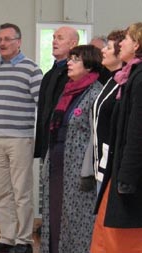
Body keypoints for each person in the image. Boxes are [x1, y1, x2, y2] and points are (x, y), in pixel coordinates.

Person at [0, 23, 42, 253]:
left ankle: (23, 241)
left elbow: (41, 106)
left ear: (19, 41)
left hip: (21, 139)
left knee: (21, 192)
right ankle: (7, 238)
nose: (3, 43)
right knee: (1, 192)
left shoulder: (32, 70)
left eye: (7, 39)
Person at [40, 45, 102, 253]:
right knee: (55, 214)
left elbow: (95, 135)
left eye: (75, 59)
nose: (69, 63)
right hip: (58, 163)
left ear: (89, 65)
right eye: (70, 58)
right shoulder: (67, 91)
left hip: (79, 170)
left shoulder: (96, 93)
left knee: (76, 219)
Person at [90, 22, 142, 253]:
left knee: (119, 241)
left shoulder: (139, 79)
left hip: (129, 176)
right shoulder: (130, 76)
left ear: (137, 44)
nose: (122, 43)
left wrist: (127, 178)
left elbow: (136, 133)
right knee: (105, 235)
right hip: (119, 170)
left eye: (127, 39)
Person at [34, 26, 79, 160]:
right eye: (54, 37)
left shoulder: (75, 75)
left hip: (64, 143)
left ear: (73, 44)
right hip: (47, 142)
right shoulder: (48, 75)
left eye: (60, 38)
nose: (54, 41)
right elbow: (42, 112)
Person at [92, 30, 125, 194]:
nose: (103, 50)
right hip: (102, 163)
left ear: (121, 54)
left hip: (113, 165)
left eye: (109, 48)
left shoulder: (125, 82)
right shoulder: (111, 80)